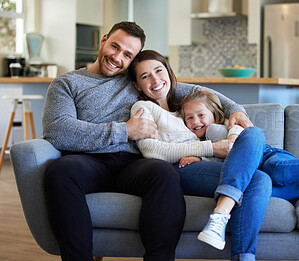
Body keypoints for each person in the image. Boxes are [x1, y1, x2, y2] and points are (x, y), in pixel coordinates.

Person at [42, 22, 250, 261]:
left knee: (164, 173)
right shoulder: (67, 84)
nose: (117, 57)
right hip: (89, 161)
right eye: (115, 47)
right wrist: (124, 131)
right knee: (60, 171)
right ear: (104, 41)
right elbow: (57, 130)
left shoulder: (138, 81)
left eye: (127, 55)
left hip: (135, 162)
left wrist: (237, 110)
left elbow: (203, 93)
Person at [129, 50, 271, 261]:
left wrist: (232, 126)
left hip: (204, 164)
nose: (155, 79)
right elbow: (152, 151)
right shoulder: (144, 108)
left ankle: (235, 242)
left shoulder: (184, 108)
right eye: (145, 76)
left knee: (260, 172)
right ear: (137, 85)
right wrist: (212, 149)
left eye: (159, 71)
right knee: (258, 177)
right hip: (181, 168)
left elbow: (218, 103)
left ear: (168, 71)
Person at [179, 89, 299, 192]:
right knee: (268, 190)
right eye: (189, 118)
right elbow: (221, 163)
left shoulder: (217, 129)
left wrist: (201, 155)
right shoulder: (199, 138)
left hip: (268, 157)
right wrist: (200, 159)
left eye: (201, 115)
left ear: (215, 115)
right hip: (256, 171)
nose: (195, 121)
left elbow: (228, 150)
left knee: (278, 171)